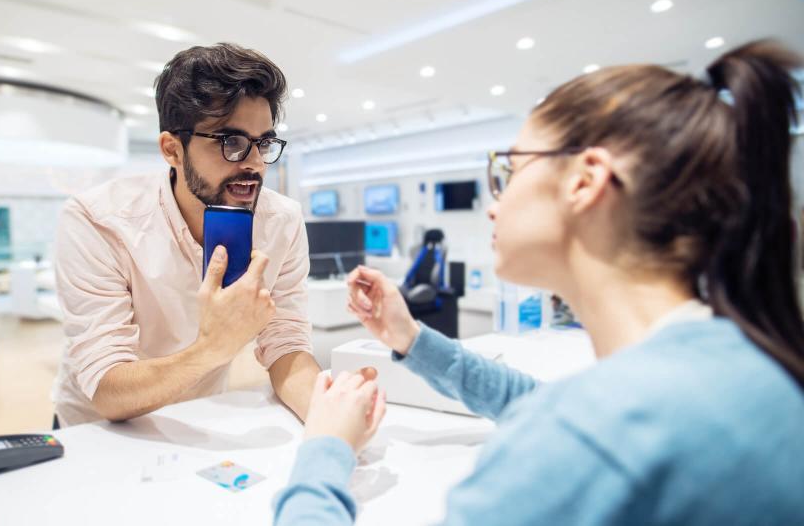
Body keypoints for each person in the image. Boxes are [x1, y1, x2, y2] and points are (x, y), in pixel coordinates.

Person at [274, 40, 804, 524]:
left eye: (511, 169)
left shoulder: (589, 439)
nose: (494, 204)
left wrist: (325, 447)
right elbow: (535, 401)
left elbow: (568, 427)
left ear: (585, 181)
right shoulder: (736, 362)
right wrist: (411, 339)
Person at [51, 43, 322, 426]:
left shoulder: (282, 220)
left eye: (263, 143)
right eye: (231, 142)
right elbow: (108, 390)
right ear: (172, 150)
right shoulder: (98, 220)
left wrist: (327, 417)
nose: (255, 164)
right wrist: (214, 348)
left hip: (198, 421)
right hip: (100, 432)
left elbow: (286, 344)